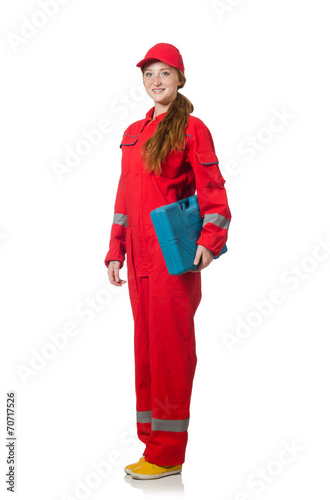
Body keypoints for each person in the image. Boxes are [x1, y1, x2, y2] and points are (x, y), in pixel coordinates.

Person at [104, 43, 231, 480]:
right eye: (148, 74)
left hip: (172, 257)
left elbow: (213, 190)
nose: (156, 81)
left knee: (171, 351)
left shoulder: (191, 128)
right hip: (137, 259)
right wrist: (115, 248)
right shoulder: (135, 132)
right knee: (146, 352)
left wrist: (211, 240)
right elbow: (124, 198)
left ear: (180, 78)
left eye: (165, 73)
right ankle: (152, 442)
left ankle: (168, 451)